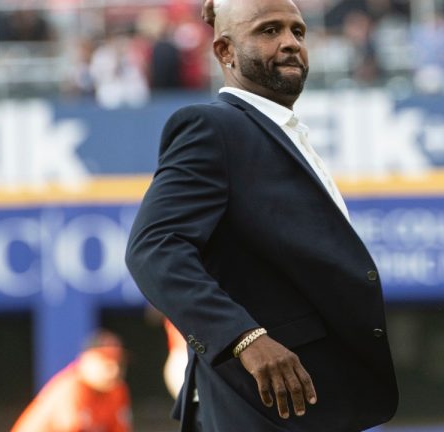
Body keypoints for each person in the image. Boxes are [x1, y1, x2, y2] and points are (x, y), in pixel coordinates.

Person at [125, 0, 398, 430]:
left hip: (307, 407)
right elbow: (154, 249)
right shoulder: (211, 127)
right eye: (269, 31)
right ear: (225, 52)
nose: (290, 43)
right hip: (257, 407)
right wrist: (243, 338)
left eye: (298, 32)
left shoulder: (280, 134)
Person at [11, 330, 132, 432]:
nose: (115, 370)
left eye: (119, 364)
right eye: (107, 363)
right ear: (86, 361)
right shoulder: (70, 387)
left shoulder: (117, 390)